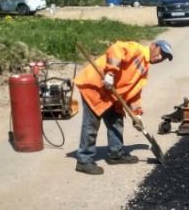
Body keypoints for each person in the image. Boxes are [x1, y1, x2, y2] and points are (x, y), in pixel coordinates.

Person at [74, 39, 173, 175]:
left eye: (165, 57)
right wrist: (110, 73)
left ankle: (116, 154)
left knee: (116, 121)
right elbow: (117, 48)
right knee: (91, 125)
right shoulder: (136, 49)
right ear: (153, 46)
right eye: (161, 53)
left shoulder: (144, 70)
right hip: (95, 86)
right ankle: (84, 161)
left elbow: (134, 93)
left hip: (111, 95)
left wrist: (137, 113)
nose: (161, 58)